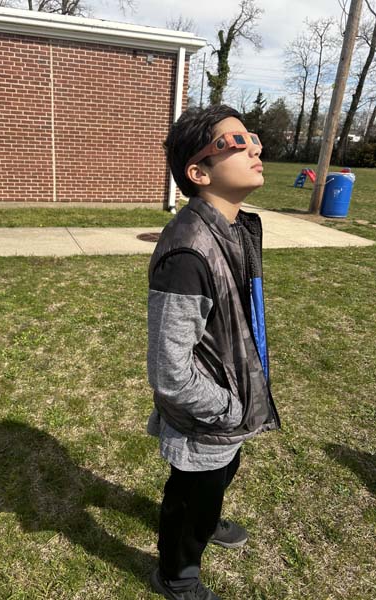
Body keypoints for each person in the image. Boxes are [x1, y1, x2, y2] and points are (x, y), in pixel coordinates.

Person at [147, 105, 280, 600]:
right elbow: (169, 372)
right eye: (235, 141)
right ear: (199, 172)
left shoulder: (237, 227)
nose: (254, 147)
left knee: (222, 473)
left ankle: (206, 516)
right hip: (211, 411)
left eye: (253, 137)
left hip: (233, 399)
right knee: (192, 494)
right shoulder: (188, 252)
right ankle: (176, 576)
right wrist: (229, 408)